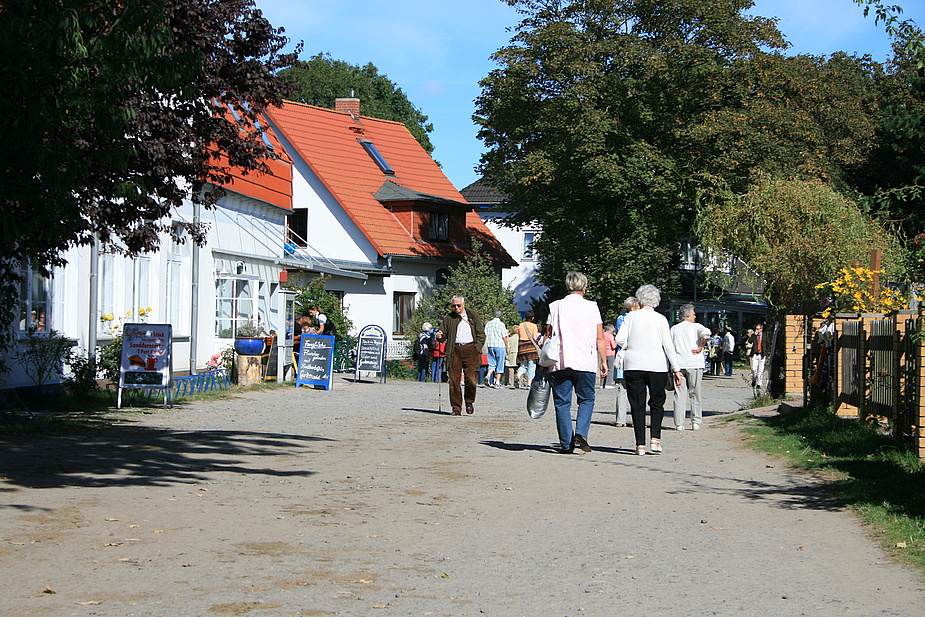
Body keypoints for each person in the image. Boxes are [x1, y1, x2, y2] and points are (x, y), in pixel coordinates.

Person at [544, 272, 608, 454]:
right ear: (584, 288)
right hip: (585, 360)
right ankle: (581, 433)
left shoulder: (555, 306)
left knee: (562, 403)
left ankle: (566, 444)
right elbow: (600, 337)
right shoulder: (592, 307)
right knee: (586, 399)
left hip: (560, 361)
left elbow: (548, 334)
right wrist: (603, 360)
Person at [614, 284, 681, 456]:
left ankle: (640, 445)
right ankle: (655, 439)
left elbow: (619, 338)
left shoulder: (631, 317)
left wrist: (629, 345)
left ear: (639, 299)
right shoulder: (660, 319)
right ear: (656, 301)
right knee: (657, 402)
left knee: (637, 404)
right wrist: (676, 369)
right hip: (656, 365)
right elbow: (668, 345)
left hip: (633, 364)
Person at [437, 295, 485, 415]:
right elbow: (442, 335)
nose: (456, 308)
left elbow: (481, 334)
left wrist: (476, 347)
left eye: (458, 305)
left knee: (471, 379)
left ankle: (469, 401)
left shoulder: (473, 315)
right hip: (454, 350)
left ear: (463, 304)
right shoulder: (449, 318)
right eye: (454, 305)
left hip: (470, 349)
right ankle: (456, 408)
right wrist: (439, 336)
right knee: (454, 380)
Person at [670, 304, 711, 431]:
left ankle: (679, 422)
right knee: (695, 393)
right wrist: (700, 346)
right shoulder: (696, 327)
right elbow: (706, 334)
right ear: (688, 315)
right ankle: (696, 421)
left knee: (679, 394)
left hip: (678, 363)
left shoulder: (674, 329)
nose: (695, 316)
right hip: (694, 363)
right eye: (693, 314)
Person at [614, 296, 639, 427]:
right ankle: (626, 419)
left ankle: (622, 419)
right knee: (629, 389)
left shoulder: (621, 319)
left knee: (624, 389)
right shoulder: (624, 319)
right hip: (629, 355)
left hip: (626, 355)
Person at [483, 309, 508, 388]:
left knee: (492, 363)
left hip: (490, 345)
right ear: (501, 316)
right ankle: (497, 382)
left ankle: (488, 375)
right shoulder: (501, 324)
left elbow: (485, 334)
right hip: (499, 345)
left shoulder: (489, 324)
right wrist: (507, 347)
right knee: (500, 364)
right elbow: (504, 337)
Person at [515, 311, 540, 388]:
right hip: (530, 348)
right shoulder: (533, 326)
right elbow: (535, 338)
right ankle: (529, 384)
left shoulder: (521, 325)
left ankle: (518, 376)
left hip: (522, 347)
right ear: (532, 318)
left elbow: (519, 335)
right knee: (532, 366)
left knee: (523, 365)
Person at [747, 323, 767, 389]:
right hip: (755, 354)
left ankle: (759, 384)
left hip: (762, 354)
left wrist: (766, 353)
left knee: (761, 370)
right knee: (754, 369)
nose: (757, 330)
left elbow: (767, 344)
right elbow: (749, 341)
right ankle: (754, 379)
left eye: (758, 329)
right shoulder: (754, 335)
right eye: (756, 329)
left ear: (761, 329)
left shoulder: (764, 335)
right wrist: (754, 335)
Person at [601, 324, 617, 388]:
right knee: (610, 369)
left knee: (603, 368)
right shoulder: (610, 336)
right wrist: (616, 342)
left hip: (603, 353)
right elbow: (613, 346)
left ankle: (602, 384)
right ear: (610, 330)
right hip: (610, 353)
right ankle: (608, 384)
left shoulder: (602, 334)